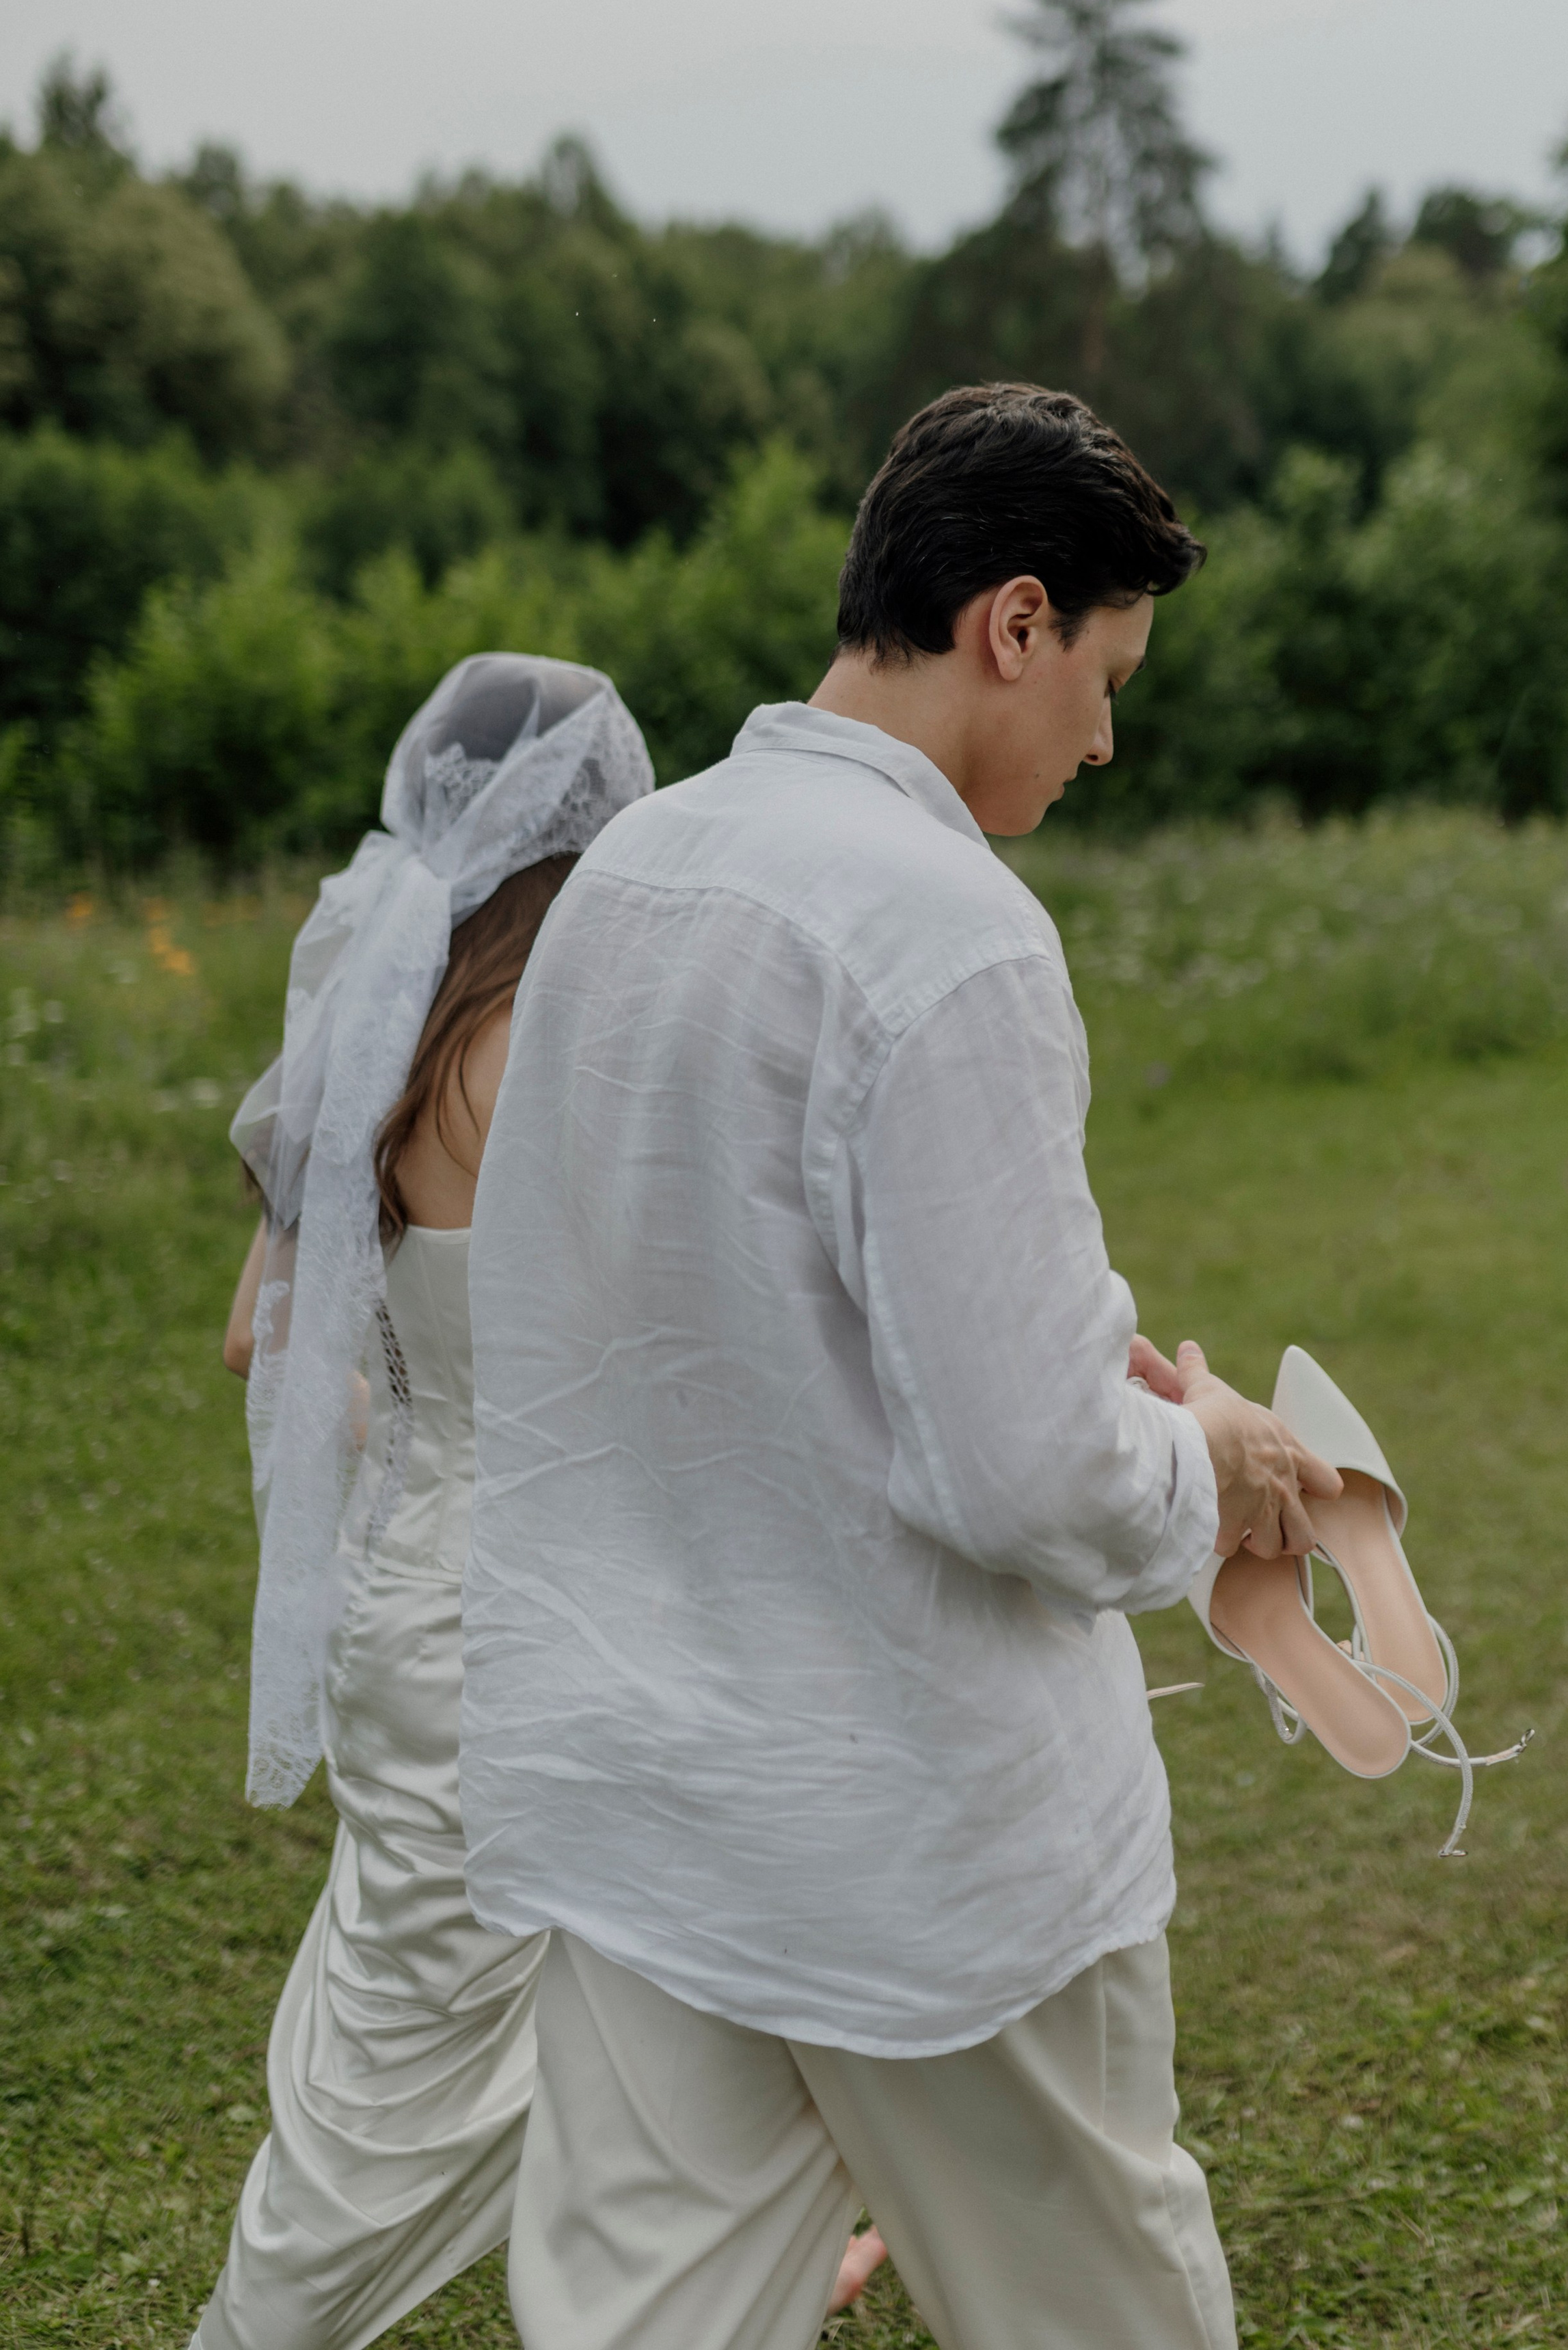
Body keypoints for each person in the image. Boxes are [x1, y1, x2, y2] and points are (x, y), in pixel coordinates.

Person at [459, 387, 1342, 2350]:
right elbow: (1025, 1469)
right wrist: (1213, 1461)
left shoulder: (635, 866)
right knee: (1097, 2314)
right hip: (908, 1826)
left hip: (639, 1781)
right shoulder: (955, 933)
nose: (1107, 735)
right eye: (1105, 673)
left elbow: (655, 1303)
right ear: (1011, 625)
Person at [191, 651, 889, 2350]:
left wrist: (430, 1405)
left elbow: (255, 1341)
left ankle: (758, 2256)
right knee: (403, 2102)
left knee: (645, 1983)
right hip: (534, 1626)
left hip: (407, 1606)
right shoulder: (550, 1040)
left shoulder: (389, 1030)